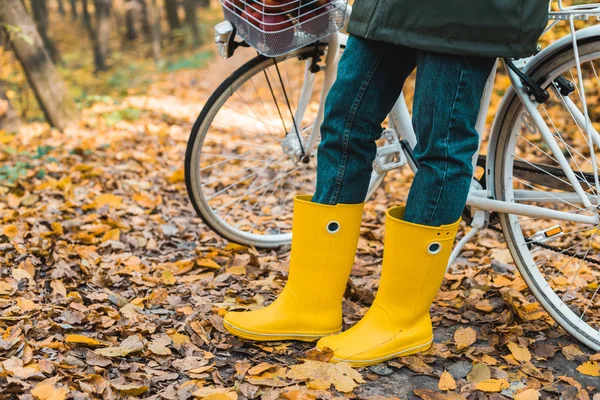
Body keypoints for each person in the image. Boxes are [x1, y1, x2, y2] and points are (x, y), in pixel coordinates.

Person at [223, 0, 550, 367]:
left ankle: (402, 318)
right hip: (391, 7)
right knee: (342, 126)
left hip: (466, 12)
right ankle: (311, 302)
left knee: (441, 146)